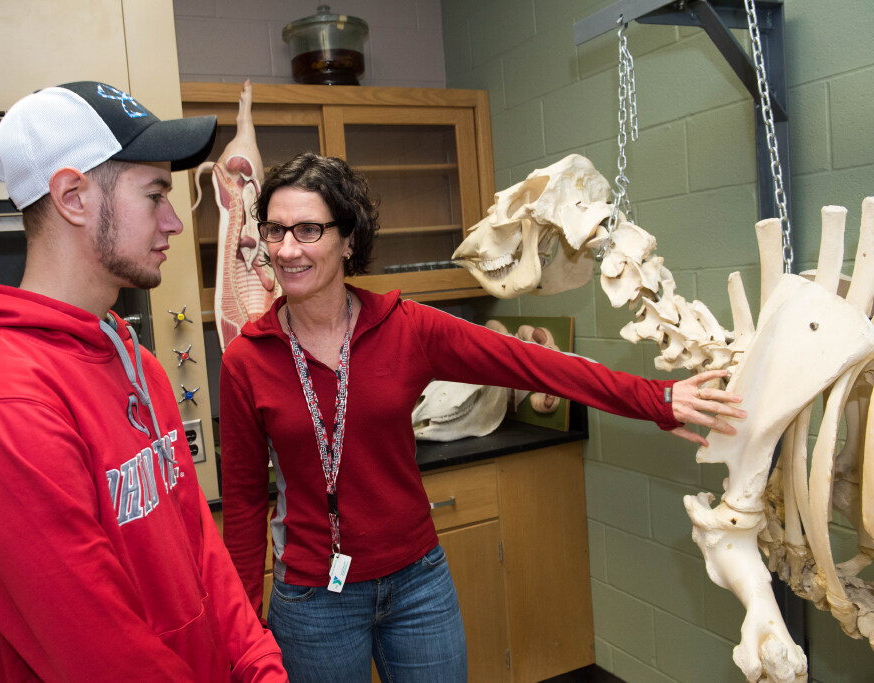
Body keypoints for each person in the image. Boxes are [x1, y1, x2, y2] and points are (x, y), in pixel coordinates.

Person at [218, 152, 746, 682]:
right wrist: (242, 637)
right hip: (313, 601)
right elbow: (242, 504)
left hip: (416, 587)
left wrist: (653, 400)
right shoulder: (247, 360)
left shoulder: (405, 328)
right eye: (275, 230)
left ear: (348, 238)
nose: (287, 249)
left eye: (309, 229)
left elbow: (533, 363)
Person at [0, 82, 287, 682]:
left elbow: (199, 547)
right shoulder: (1, 404)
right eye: (155, 194)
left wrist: (258, 664)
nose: (173, 222)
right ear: (73, 197)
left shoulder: (137, 364)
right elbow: (103, 658)